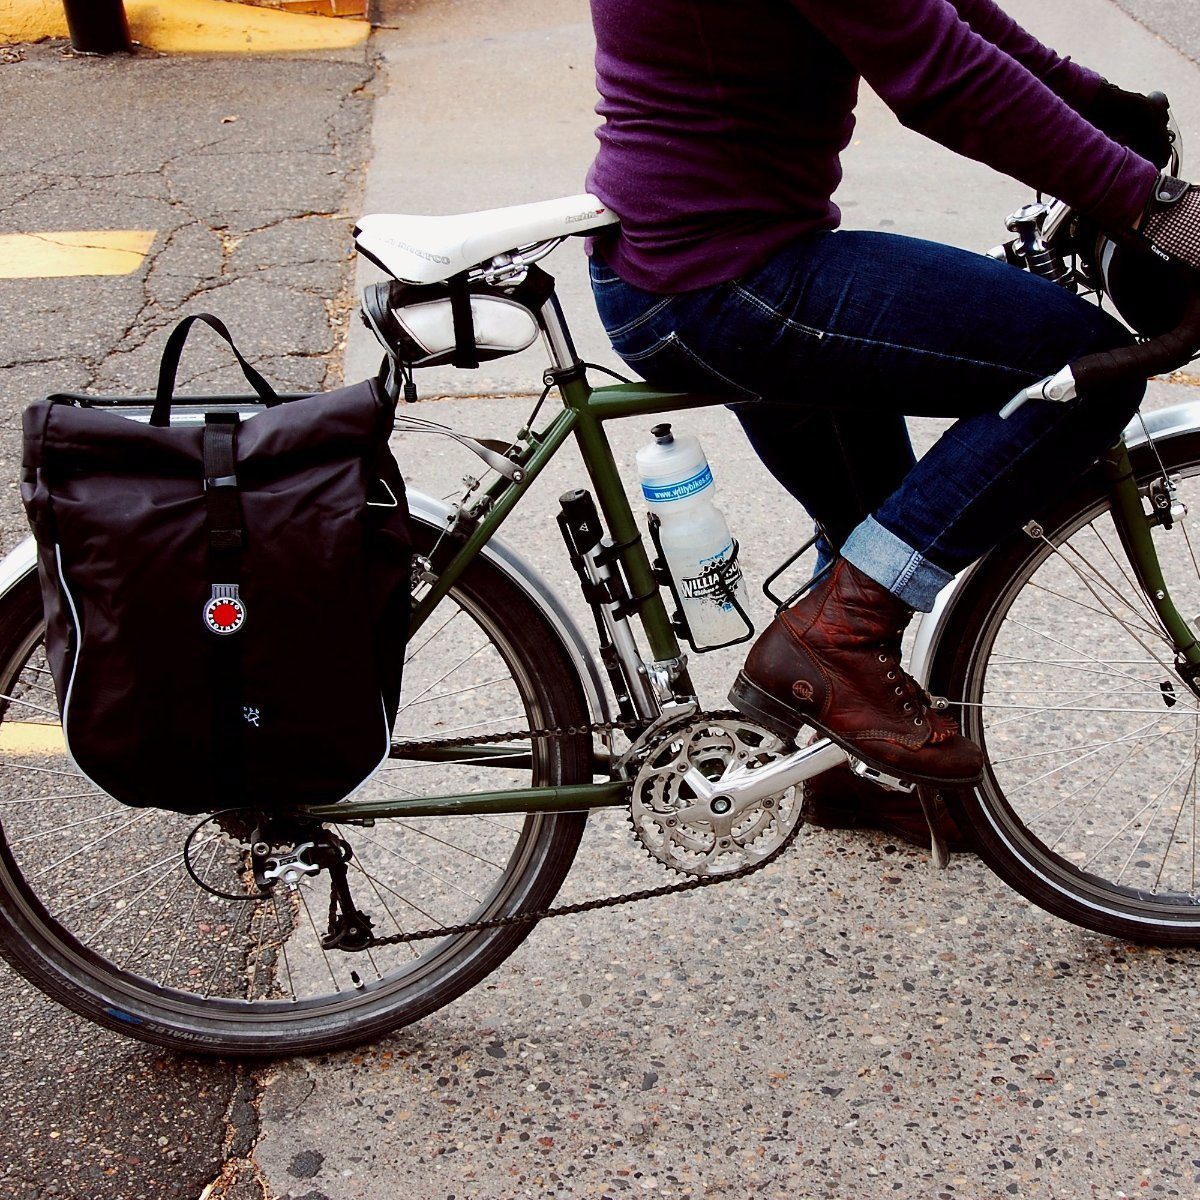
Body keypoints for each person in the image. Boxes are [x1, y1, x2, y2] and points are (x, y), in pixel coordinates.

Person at [584, 0, 1200, 849]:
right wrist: (1162, 211)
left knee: (870, 519)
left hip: (680, 264)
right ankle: (834, 641)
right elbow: (940, 71)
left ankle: (825, 768)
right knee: (1084, 366)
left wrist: (1094, 102)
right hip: (729, 278)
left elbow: (945, 13)